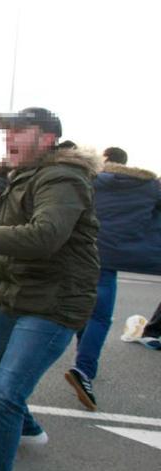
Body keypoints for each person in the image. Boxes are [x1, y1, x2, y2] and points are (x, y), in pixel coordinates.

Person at [0, 107, 101, 471]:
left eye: (20, 130)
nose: (9, 138)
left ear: (47, 138)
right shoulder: (25, 176)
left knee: (7, 392)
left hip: (54, 303)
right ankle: (29, 426)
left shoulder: (63, 177)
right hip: (15, 292)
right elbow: (20, 226)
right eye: (7, 132)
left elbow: (45, 235)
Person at [63, 146, 161, 409]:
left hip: (80, 250)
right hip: (112, 259)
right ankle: (84, 369)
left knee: (82, 308)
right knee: (99, 316)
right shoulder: (150, 187)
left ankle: (82, 357)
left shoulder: (91, 179)